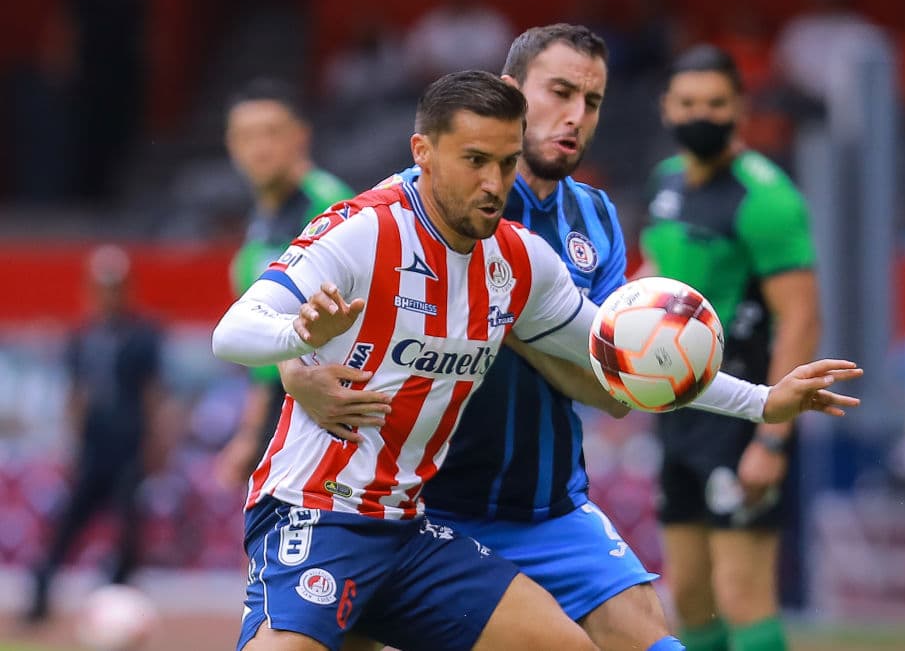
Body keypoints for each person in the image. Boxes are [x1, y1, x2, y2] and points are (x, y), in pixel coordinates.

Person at [212, 69, 860, 651]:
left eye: (504, 161)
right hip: (316, 512)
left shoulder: (517, 260)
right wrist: (298, 335)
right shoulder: (364, 229)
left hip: (407, 529)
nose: (494, 184)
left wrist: (763, 400)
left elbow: (625, 361)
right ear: (423, 154)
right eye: (474, 161)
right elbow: (233, 331)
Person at [640, 45, 822, 651]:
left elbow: (799, 319)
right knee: (688, 591)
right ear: (666, 107)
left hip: (744, 411)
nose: (702, 114)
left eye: (716, 103)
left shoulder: (767, 197)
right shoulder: (665, 182)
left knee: (743, 591)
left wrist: (772, 438)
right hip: (679, 409)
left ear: (740, 110)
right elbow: (654, 277)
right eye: (688, 103)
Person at [215, 78, 356, 487]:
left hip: (334, 414)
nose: (259, 148)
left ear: (301, 137)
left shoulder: (329, 208)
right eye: (246, 136)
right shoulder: (260, 224)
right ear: (231, 145)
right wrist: (249, 435)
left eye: (272, 133)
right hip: (289, 404)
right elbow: (266, 355)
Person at [26, 245, 165, 622]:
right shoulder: (82, 336)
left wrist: (154, 443)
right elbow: (76, 393)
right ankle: (40, 593)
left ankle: (114, 600)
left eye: (115, 287)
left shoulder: (144, 335)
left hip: (129, 442)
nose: (108, 295)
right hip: (93, 444)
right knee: (70, 521)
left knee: (127, 528)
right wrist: (70, 441)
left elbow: (153, 392)